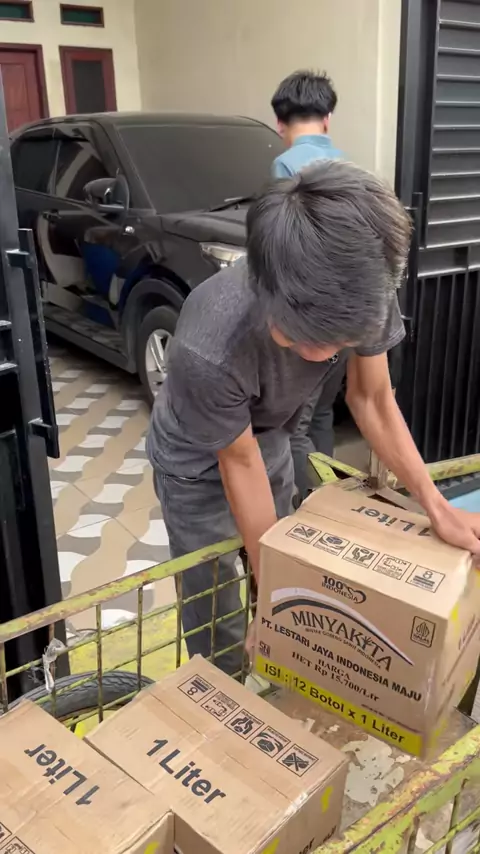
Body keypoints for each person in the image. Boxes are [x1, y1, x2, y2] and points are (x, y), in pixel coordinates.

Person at [147, 160, 480, 678]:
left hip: (269, 435)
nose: (324, 354)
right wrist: (273, 600)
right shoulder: (209, 343)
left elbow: (372, 398)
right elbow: (239, 463)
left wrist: (434, 504)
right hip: (195, 458)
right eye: (309, 339)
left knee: (281, 550)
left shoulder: (364, 286)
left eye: (338, 343)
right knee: (214, 592)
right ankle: (219, 684)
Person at [271, 70, 345, 497]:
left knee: (294, 427)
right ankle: (335, 499)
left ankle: (313, 507)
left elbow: (285, 249)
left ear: (280, 123)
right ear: (327, 119)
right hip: (347, 316)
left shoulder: (285, 166)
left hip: (309, 318)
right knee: (322, 415)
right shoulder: (349, 167)